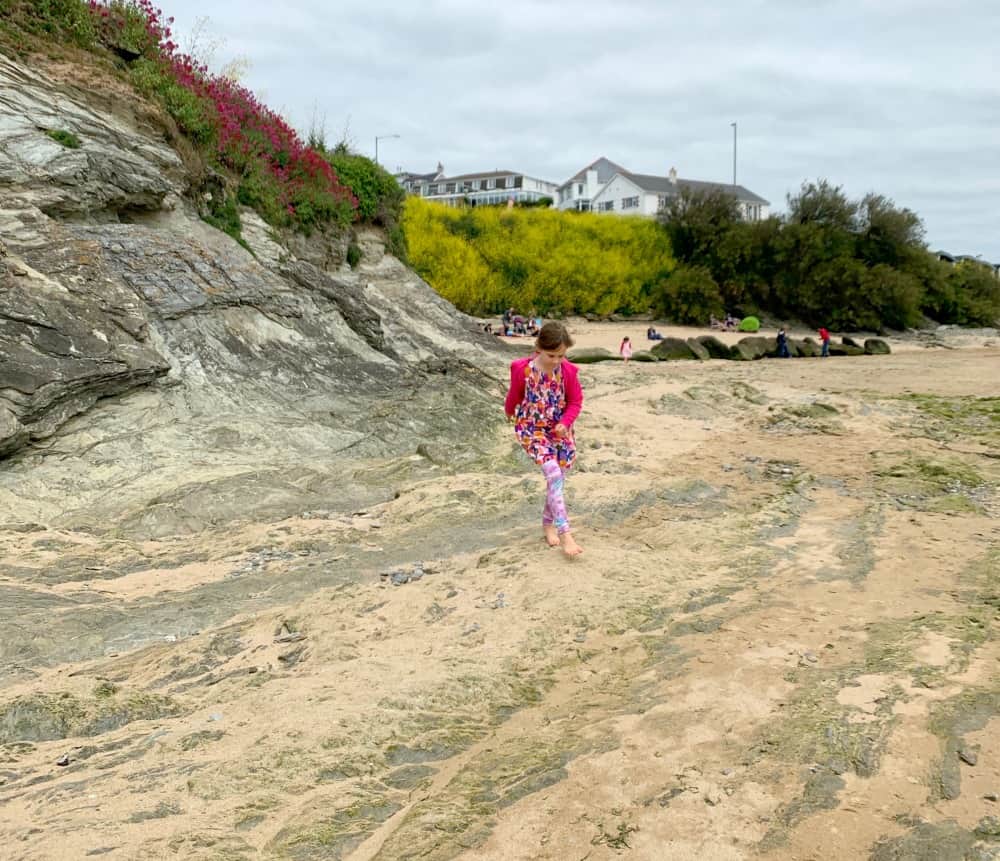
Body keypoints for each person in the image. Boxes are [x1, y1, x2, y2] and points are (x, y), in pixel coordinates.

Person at [504, 321, 584, 557]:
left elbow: (575, 402)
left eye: (562, 355)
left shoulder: (567, 371)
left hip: (560, 432)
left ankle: (548, 523)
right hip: (532, 430)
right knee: (553, 474)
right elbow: (514, 396)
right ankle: (565, 534)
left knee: (557, 480)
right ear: (539, 347)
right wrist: (509, 413)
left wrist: (565, 423)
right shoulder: (523, 370)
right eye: (552, 355)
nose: (557, 360)